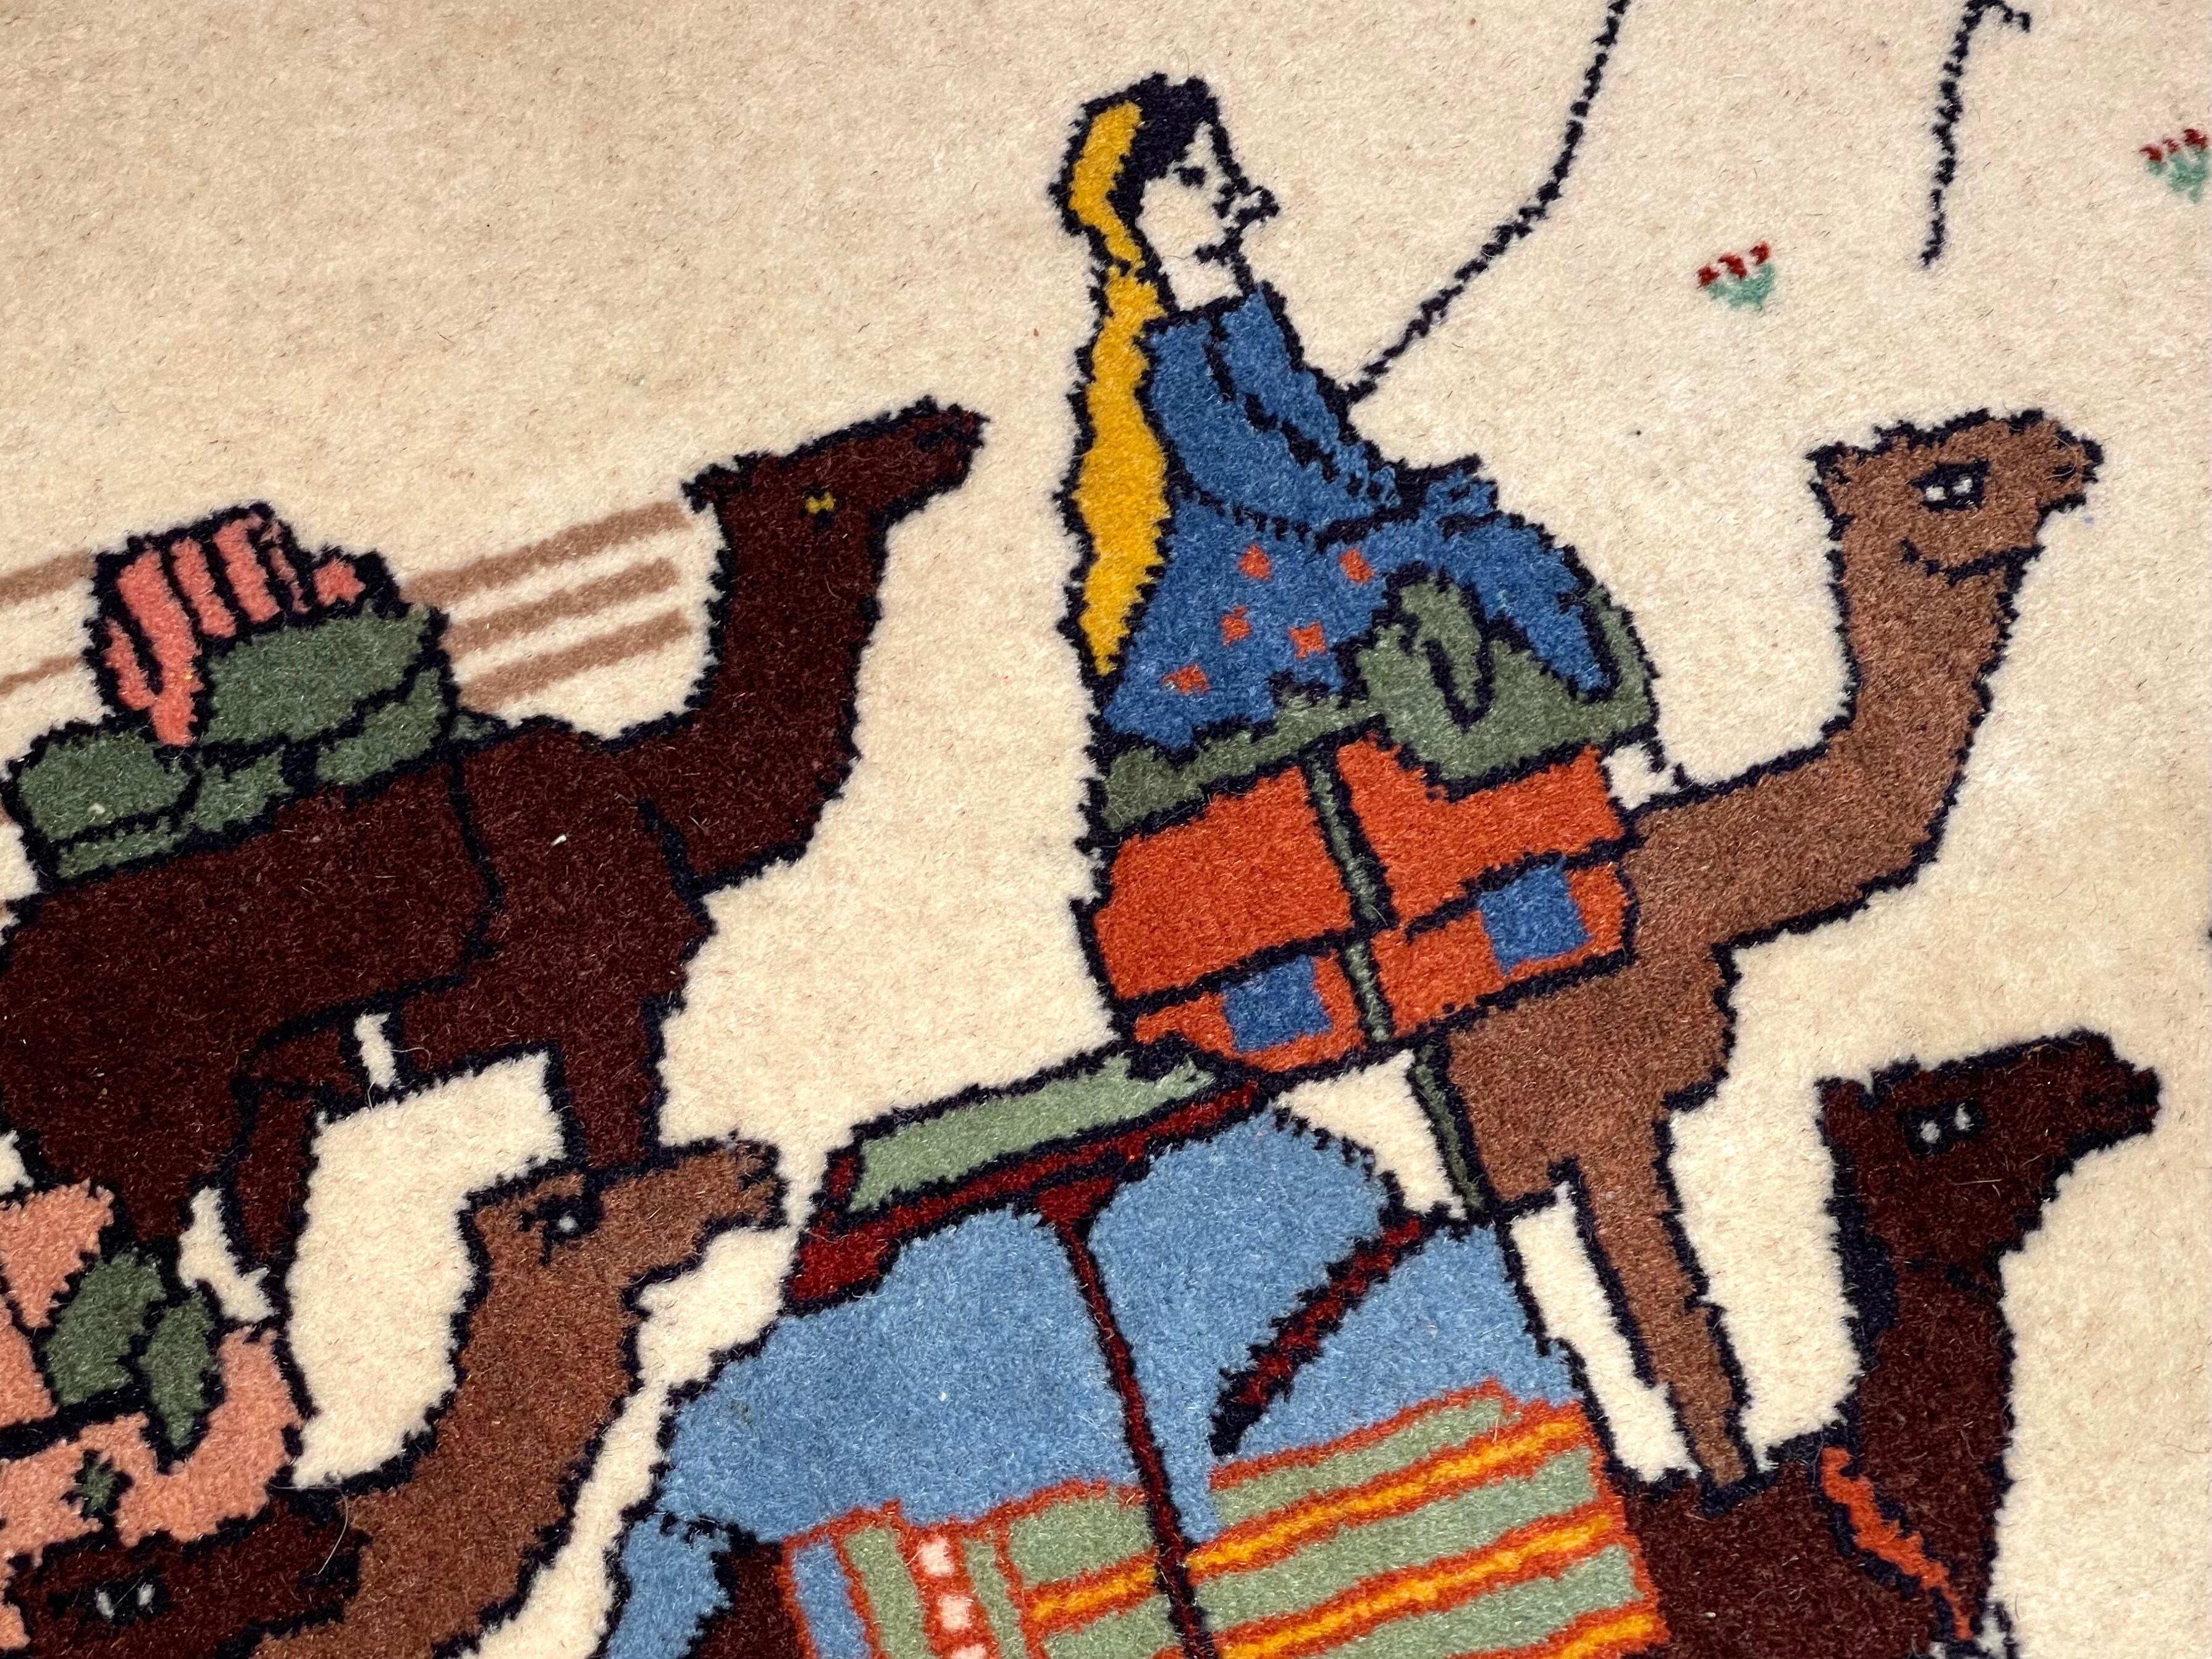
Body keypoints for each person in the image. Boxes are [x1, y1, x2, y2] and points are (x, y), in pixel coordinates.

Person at [1059, 76, 1655, 1080]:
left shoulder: (1241, 317)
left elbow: (1329, 453)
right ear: (1136, 213)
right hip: (1242, 582)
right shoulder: (1166, 360)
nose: (1225, 190)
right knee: (1454, 571)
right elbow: (1265, 484)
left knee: (1474, 539)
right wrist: (1396, 520)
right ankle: (1530, 833)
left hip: (1315, 535)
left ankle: (1568, 802)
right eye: (1191, 177)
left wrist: (1401, 500)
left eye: (1218, 169)